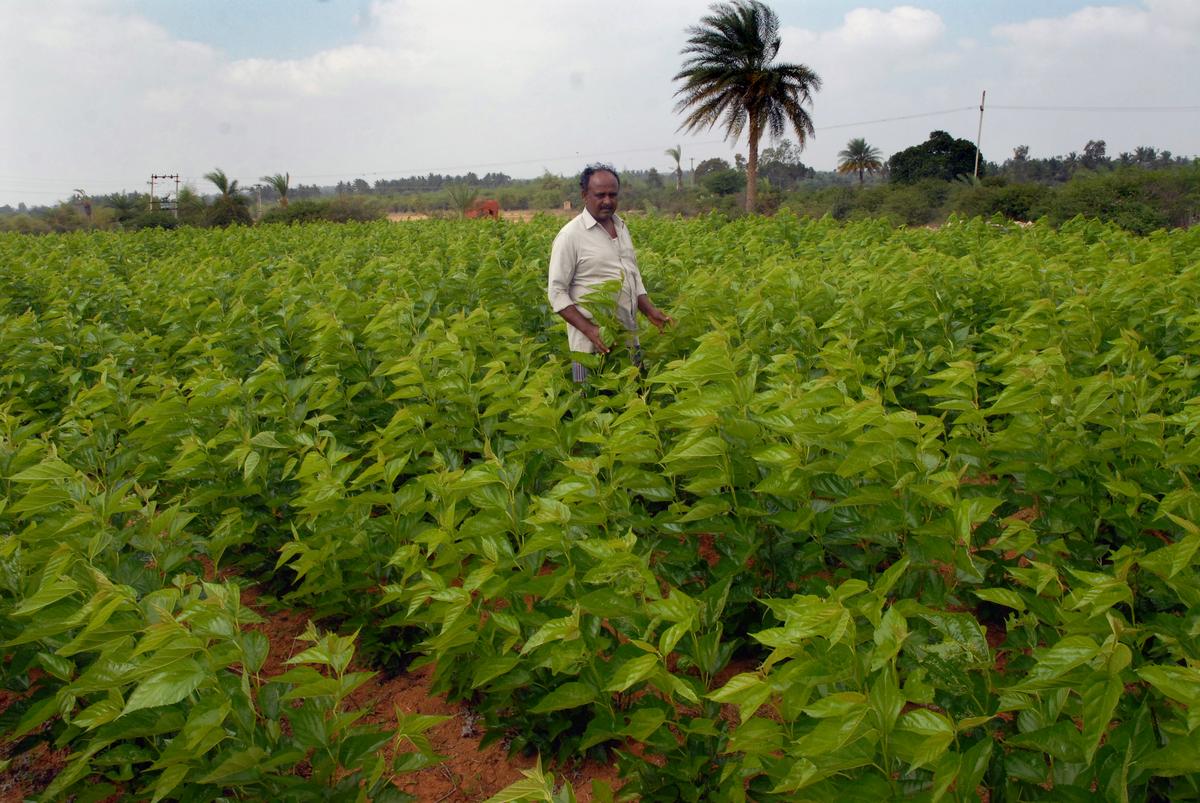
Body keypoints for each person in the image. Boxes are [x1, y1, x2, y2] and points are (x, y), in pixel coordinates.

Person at [547, 164, 673, 382]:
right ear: (584, 195)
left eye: (613, 195)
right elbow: (556, 292)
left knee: (633, 403)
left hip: (628, 341)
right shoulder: (570, 236)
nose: (607, 201)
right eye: (600, 195)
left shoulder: (622, 227)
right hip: (589, 349)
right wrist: (590, 330)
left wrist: (650, 311)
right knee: (591, 408)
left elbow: (633, 277)